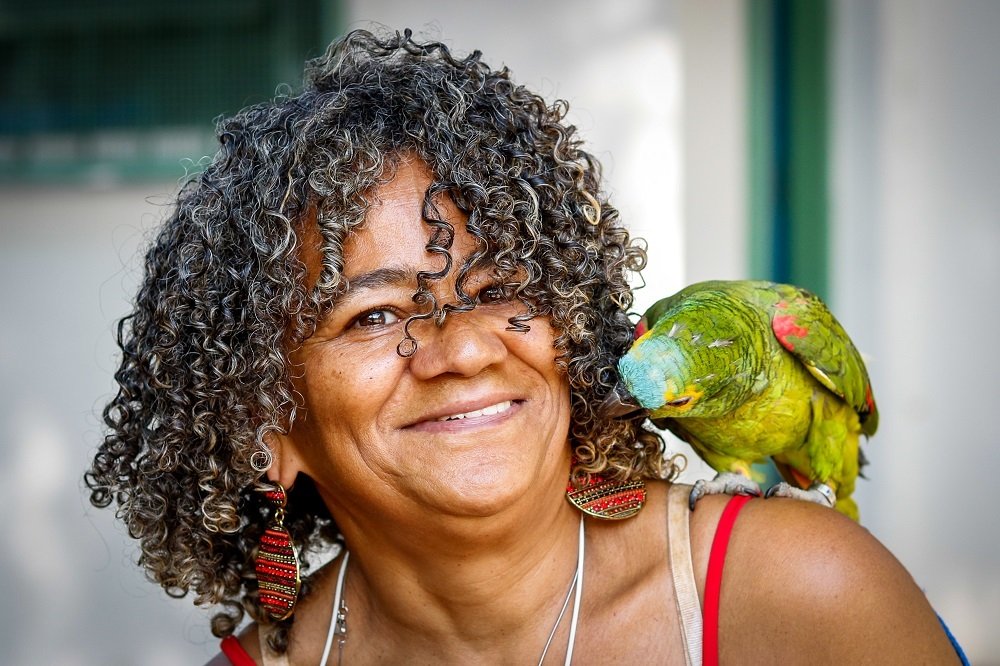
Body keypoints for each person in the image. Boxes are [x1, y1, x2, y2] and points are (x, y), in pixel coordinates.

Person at [86, 28, 964, 665]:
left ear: (572, 333)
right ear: (263, 424)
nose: (463, 351)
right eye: (377, 317)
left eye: (499, 290)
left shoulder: (796, 592)